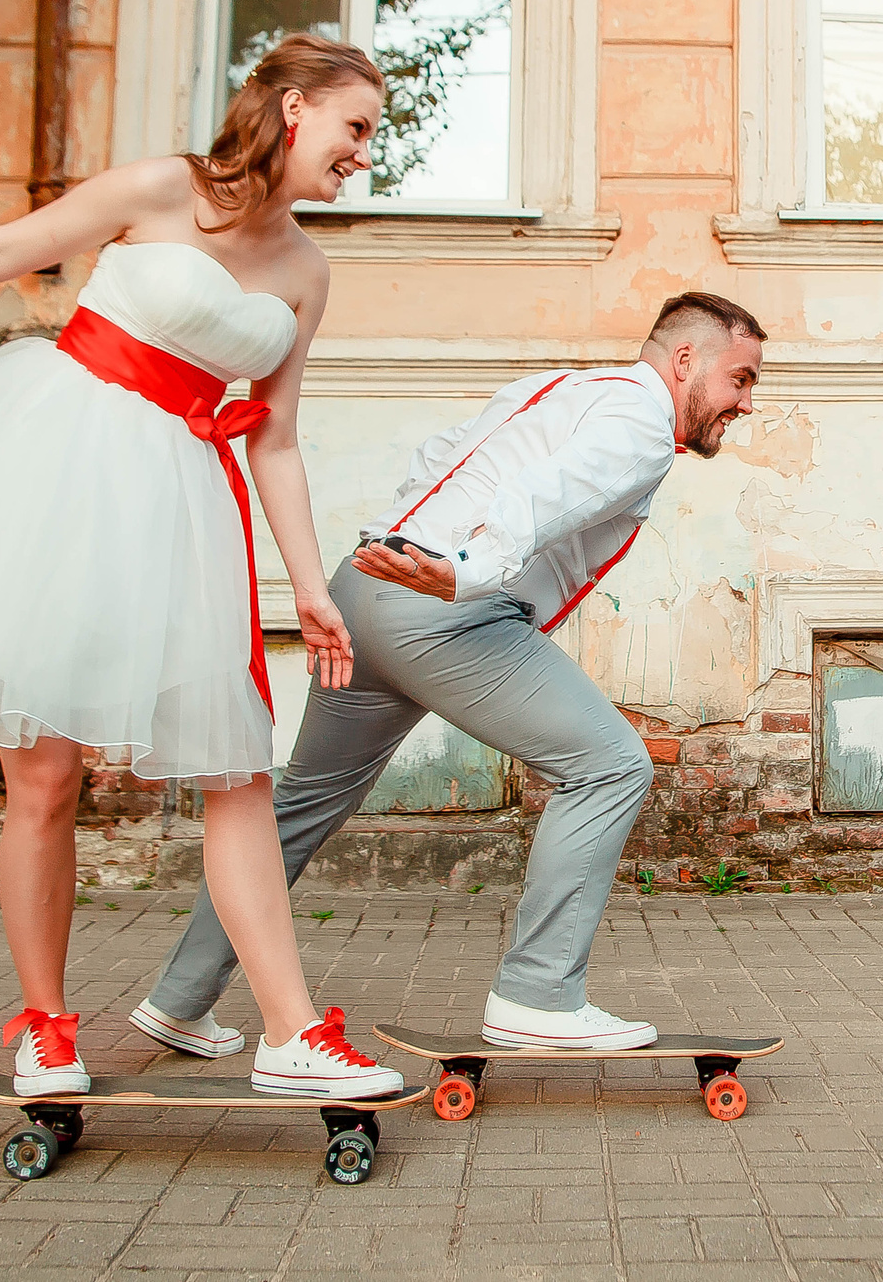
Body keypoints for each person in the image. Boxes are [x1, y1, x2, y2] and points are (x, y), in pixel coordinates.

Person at [0, 33, 405, 1100]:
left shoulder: (306, 270)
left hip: (184, 508)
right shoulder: (159, 187)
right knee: (45, 774)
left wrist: (309, 588)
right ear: (291, 109)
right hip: (60, 470)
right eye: (356, 127)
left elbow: (272, 437)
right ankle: (46, 1030)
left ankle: (290, 1034)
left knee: (234, 771)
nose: (364, 154)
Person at [138, 292, 764, 1051]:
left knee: (297, 804)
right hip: (446, 610)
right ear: (685, 360)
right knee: (610, 766)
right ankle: (539, 994)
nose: (746, 402)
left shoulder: (563, 389)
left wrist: (410, 550)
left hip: (365, 589)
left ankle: (179, 997)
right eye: (740, 379)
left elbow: (440, 455)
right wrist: (461, 570)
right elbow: (545, 498)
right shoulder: (639, 423)